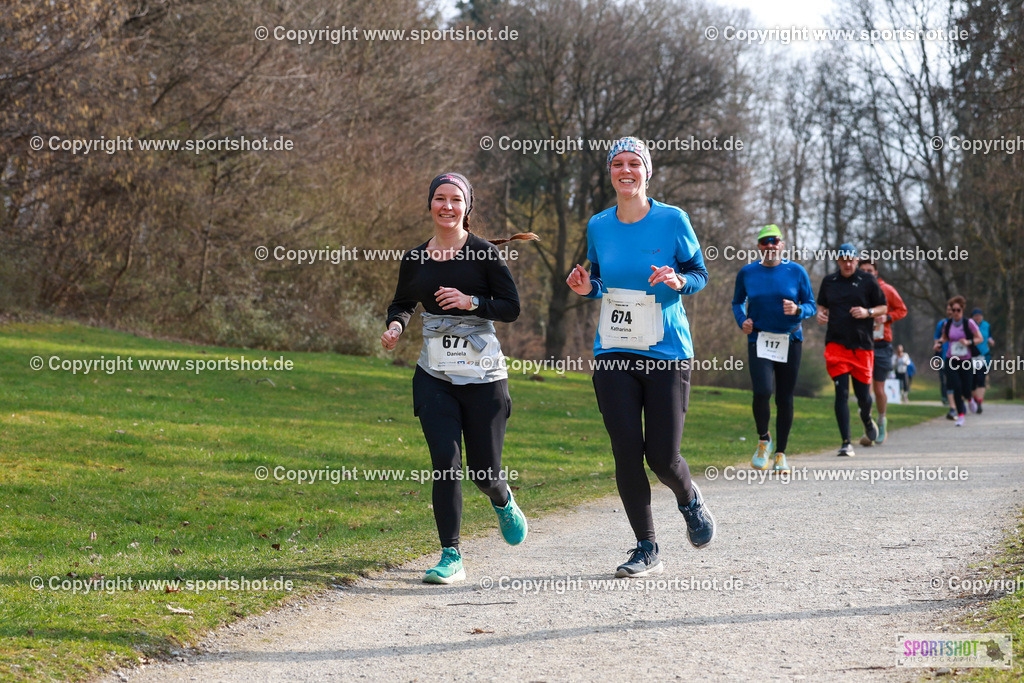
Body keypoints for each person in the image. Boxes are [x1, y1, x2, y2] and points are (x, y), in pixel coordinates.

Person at [566, 136, 715, 578]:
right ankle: (646, 546)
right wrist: (583, 288)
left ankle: (689, 500)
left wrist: (678, 280)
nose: (626, 171)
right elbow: (598, 282)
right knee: (626, 452)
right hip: (613, 350)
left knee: (663, 457)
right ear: (610, 172)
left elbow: (699, 273)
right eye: (618, 164)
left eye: (634, 163)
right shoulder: (598, 225)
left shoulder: (673, 220)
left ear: (647, 172)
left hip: (667, 351)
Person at [383, 172, 536, 584]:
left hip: (484, 377)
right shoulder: (415, 258)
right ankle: (451, 555)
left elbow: (510, 308)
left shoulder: (485, 254)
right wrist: (396, 327)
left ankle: (503, 500)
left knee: (484, 472)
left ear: (467, 207)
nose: (446, 206)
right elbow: (402, 302)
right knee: (445, 464)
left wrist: (472, 303)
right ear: (429, 204)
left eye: (455, 199)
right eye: (439, 198)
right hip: (434, 374)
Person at [731, 224, 816, 473]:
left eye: (774, 241)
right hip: (759, 339)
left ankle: (781, 454)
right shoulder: (747, 272)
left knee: (785, 397)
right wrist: (742, 321)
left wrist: (799, 310)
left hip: (790, 340)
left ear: (782, 244)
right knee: (762, 392)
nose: (770, 246)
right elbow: (737, 302)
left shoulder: (796, 271)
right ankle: (763, 440)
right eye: (765, 242)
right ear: (759, 246)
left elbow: (811, 304)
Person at [816, 243, 887, 457]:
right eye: (843, 259)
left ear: (856, 260)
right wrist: (820, 314)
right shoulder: (829, 281)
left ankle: (866, 418)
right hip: (836, 345)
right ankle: (846, 442)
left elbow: (883, 307)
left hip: (862, 346)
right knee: (841, 393)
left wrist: (867, 312)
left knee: (864, 396)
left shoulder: (868, 281)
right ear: (838, 261)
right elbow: (821, 306)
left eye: (851, 259)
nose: (847, 263)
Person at [856, 260, 907, 445]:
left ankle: (881, 420)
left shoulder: (887, 289)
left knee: (878, 389)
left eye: (870, 270)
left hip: (881, 344)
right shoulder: (855, 288)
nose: (867, 273)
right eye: (863, 270)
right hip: (862, 343)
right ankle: (868, 429)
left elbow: (902, 309)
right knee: (864, 390)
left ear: (876, 272)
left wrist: (888, 317)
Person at [933, 296, 983, 427]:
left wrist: (969, 342)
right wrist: (939, 343)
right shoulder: (947, 324)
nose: (955, 312)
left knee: (966, 388)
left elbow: (980, 338)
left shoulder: (969, 323)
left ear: (962, 310)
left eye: (958, 310)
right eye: (953, 310)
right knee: (956, 387)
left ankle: (970, 399)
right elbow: (944, 337)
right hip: (951, 359)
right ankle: (960, 415)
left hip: (965, 360)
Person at [970, 308, 994, 413]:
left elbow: (989, 336)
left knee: (981, 378)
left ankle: (979, 402)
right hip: (972, 355)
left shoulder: (987, 325)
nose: (978, 317)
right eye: (976, 316)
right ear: (973, 317)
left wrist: (991, 340)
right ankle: (975, 398)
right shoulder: (969, 325)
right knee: (972, 380)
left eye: (979, 315)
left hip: (984, 355)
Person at [933, 303, 955, 418]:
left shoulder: (962, 324)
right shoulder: (941, 324)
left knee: (956, 380)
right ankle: (945, 398)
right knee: (944, 378)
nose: (950, 312)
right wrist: (936, 356)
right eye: (948, 310)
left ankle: (956, 401)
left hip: (959, 357)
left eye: (952, 310)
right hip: (943, 356)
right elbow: (936, 341)